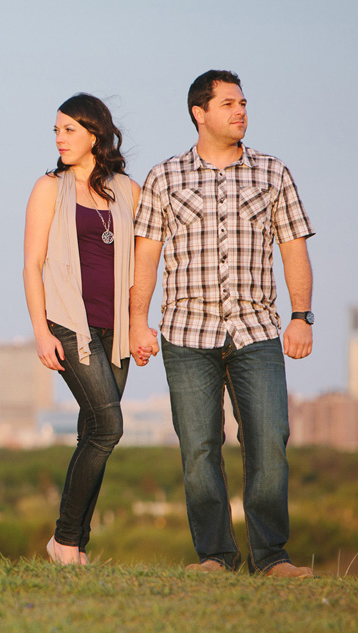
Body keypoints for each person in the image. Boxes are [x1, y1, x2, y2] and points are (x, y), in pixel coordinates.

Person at [130, 70, 316, 578]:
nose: (240, 111)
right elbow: (146, 257)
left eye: (243, 103)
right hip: (186, 334)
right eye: (229, 103)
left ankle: (272, 557)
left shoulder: (274, 173)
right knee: (198, 449)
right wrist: (136, 323)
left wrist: (301, 317)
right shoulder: (164, 177)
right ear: (200, 112)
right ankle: (215, 556)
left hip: (257, 331)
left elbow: (294, 247)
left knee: (270, 441)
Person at [23, 93, 141, 565]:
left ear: (95, 134)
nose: (59, 138)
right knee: (109, 426)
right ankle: (65, 540)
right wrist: (40, 332)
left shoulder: (127, 190)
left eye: (69, 129)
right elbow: (31, 265)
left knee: (92, 432)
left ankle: (75, 546)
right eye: (56, 130)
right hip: (69, 324)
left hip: (118, 330)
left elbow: (143, 264)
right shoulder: (48, 187)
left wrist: (140, 324)